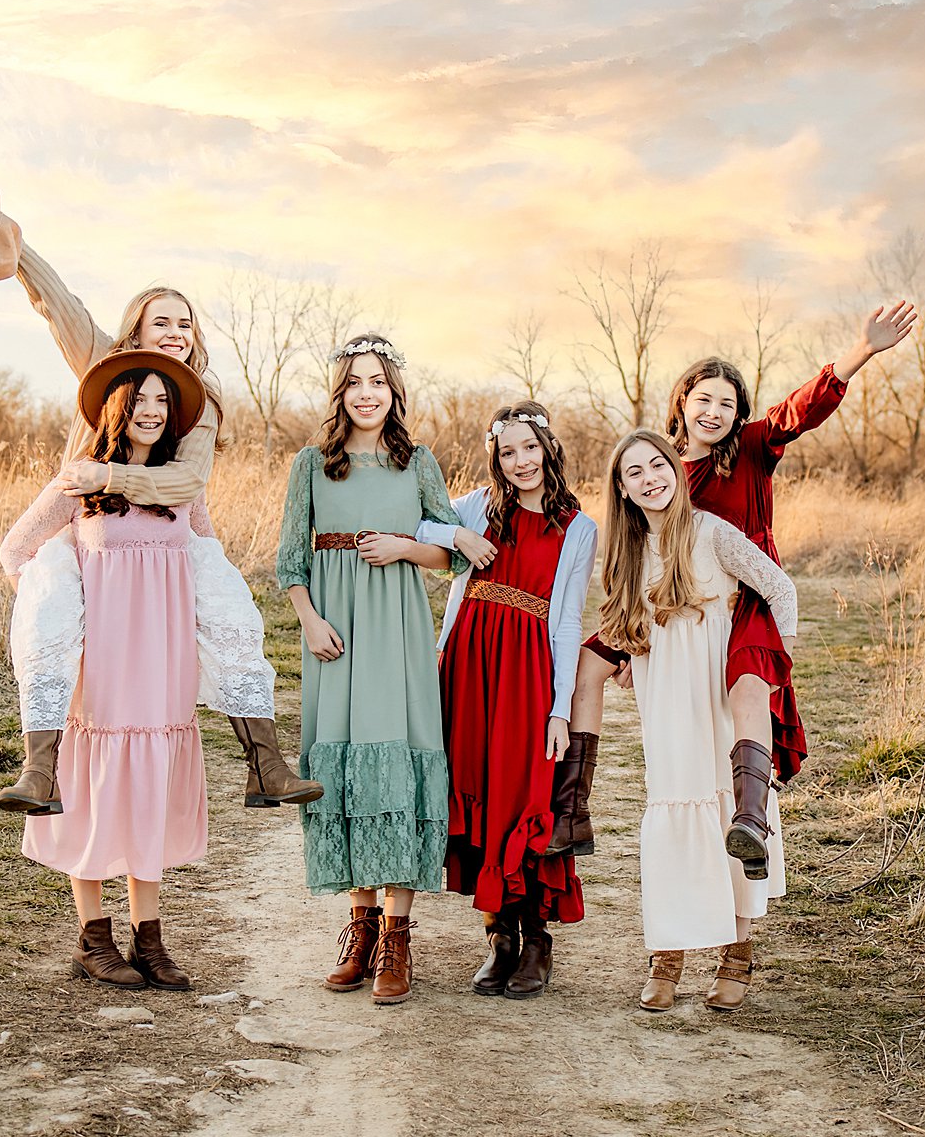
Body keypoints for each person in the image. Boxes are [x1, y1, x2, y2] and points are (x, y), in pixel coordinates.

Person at [0, 173, 320, 814]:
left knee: (232, 610)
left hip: (172, 521)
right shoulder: (103, 360)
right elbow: (58, 305)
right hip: (86, 514)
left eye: (186, 321)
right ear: (137, 332)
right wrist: (11, 236)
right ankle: (40, 769)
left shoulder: (200, 401)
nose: (176, 329)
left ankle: (266, 765)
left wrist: (111, 475)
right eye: (161, 320)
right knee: (44, 591)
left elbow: (184, 485)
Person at [557, 301, 918, 873]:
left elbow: (798, 411)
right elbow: (631, 546)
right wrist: (630, 638)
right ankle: (572, 808)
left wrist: (861, 352)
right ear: (682, 402)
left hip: (742, 596)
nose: (715, 411)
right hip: (662, 601)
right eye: (704, 398)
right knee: (586, 667)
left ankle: (749, 819)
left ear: (738, 414)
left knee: (747, 691)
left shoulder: (749, 449)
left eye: (728, 403)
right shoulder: (656, 466)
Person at [0, 351, 214, 991]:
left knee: (148, 787)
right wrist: (56, 617)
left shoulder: (182, 487)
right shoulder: (80, 482)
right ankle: (93, 937)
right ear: (116, 410)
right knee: (94, 788)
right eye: (140, 400)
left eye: (162, 402)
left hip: (165, 658)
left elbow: (208, 560)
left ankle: (151, 938)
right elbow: (16, 548)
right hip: (101, 662)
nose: (152, 411)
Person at [275, 334, 465, 1005]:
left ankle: (397, 936)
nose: (366, 392)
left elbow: (453, 554)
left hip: (399, 630)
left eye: (378, 381)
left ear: (394, 392)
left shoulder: (418, 464)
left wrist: (405, 546)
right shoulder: (310, 465)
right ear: (340, 392)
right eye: (354, 381)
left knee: (399, 763)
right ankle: (358, 929)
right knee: (346, 766)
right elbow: (289, 560)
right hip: (335, 634)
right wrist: (309, 618)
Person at [595, 430, 799, 1012]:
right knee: (672, 808)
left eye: (657, 464)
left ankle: (737, 951)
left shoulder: (711, 533)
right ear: (623, 489)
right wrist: (629, 659)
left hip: (716, 687)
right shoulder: (627, 549)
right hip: (664, 695)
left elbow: (778, 588)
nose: (650, 478)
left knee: (725, 809)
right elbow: (625, 619)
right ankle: (669, 955)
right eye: (634, 472)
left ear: (675, 469)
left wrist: (774, 669)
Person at [416, 401, 597, 1000]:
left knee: (524, 793)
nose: (520, 462)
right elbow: (418, 525)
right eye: (507, 451)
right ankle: (499, 938)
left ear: (549, 447)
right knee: (480, 788)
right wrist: (459, 534)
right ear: (496, 456)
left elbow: (568, 620)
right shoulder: (477, 508)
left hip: (527, 675)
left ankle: (537, 939)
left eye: (529, 447)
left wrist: (560, 707)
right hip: (468, 668)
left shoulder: (576, 526)